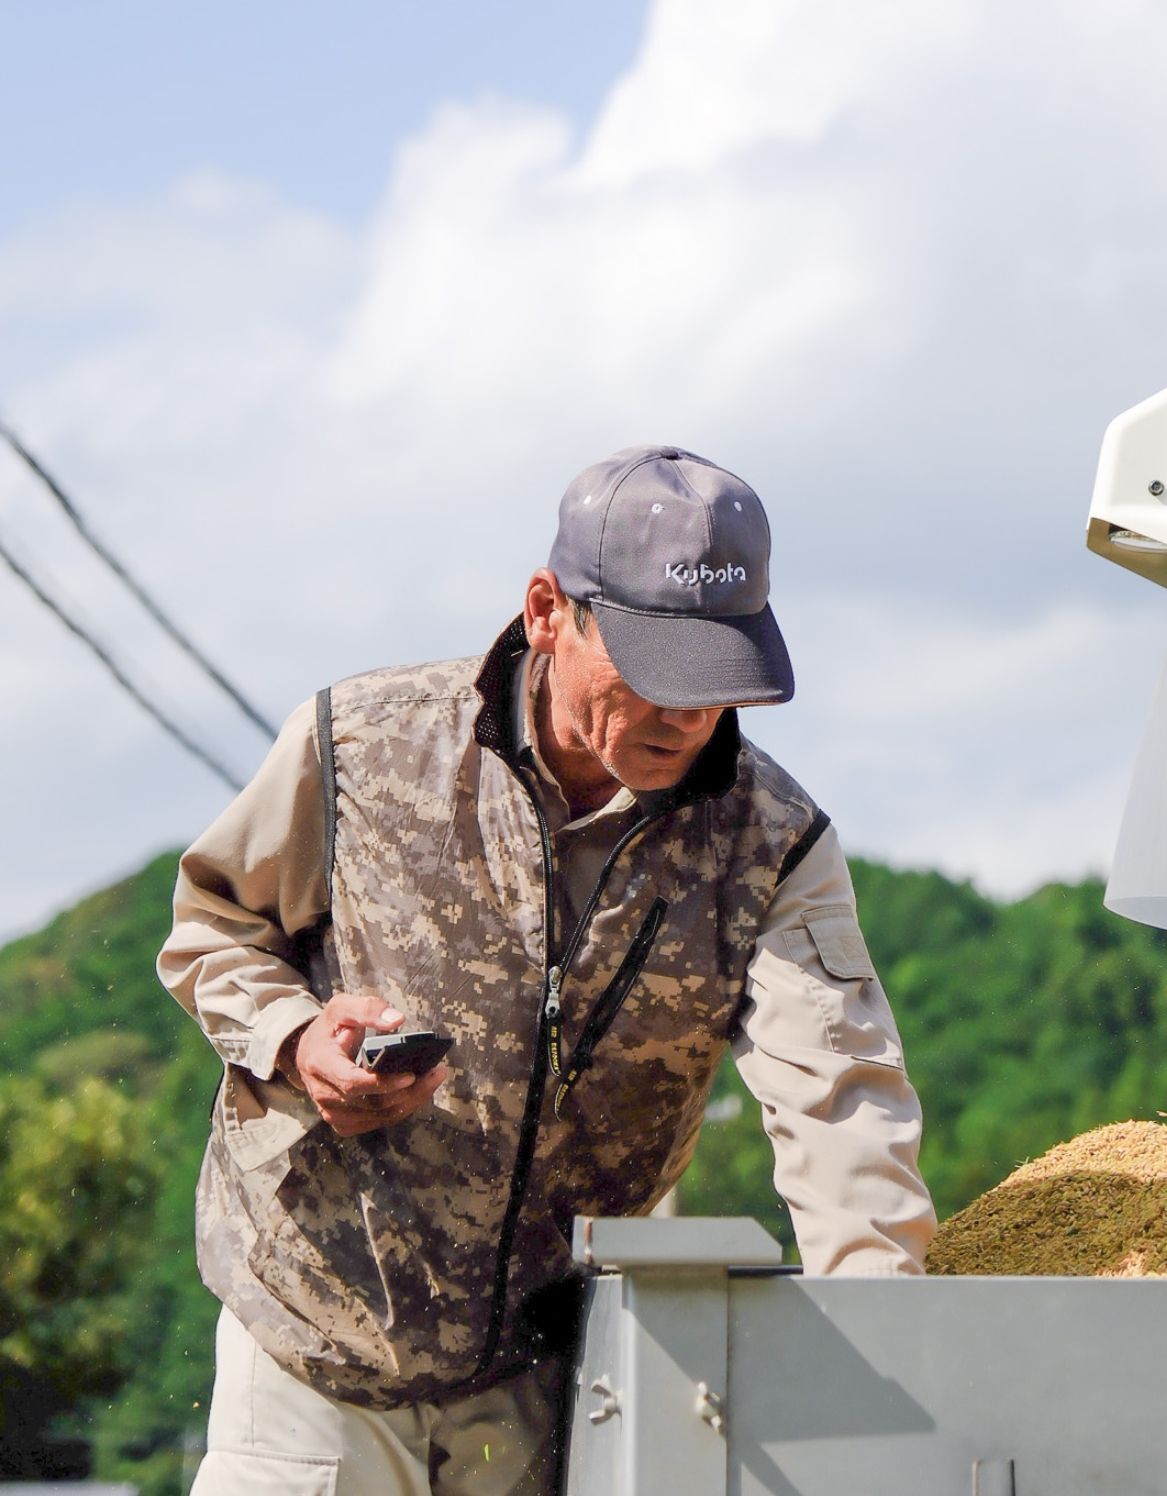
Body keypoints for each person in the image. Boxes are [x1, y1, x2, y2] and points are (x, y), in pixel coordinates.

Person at [159, 443, 935, 1494]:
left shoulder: (773, 845)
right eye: (656, 673)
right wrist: (296, 1040)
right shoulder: (362, 746)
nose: (687, 716)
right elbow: (215, 923)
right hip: (315, 1345)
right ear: (547, 611)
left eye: (717, 683)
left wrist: (885, 1375)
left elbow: (839, 1101)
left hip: (546, 1385)